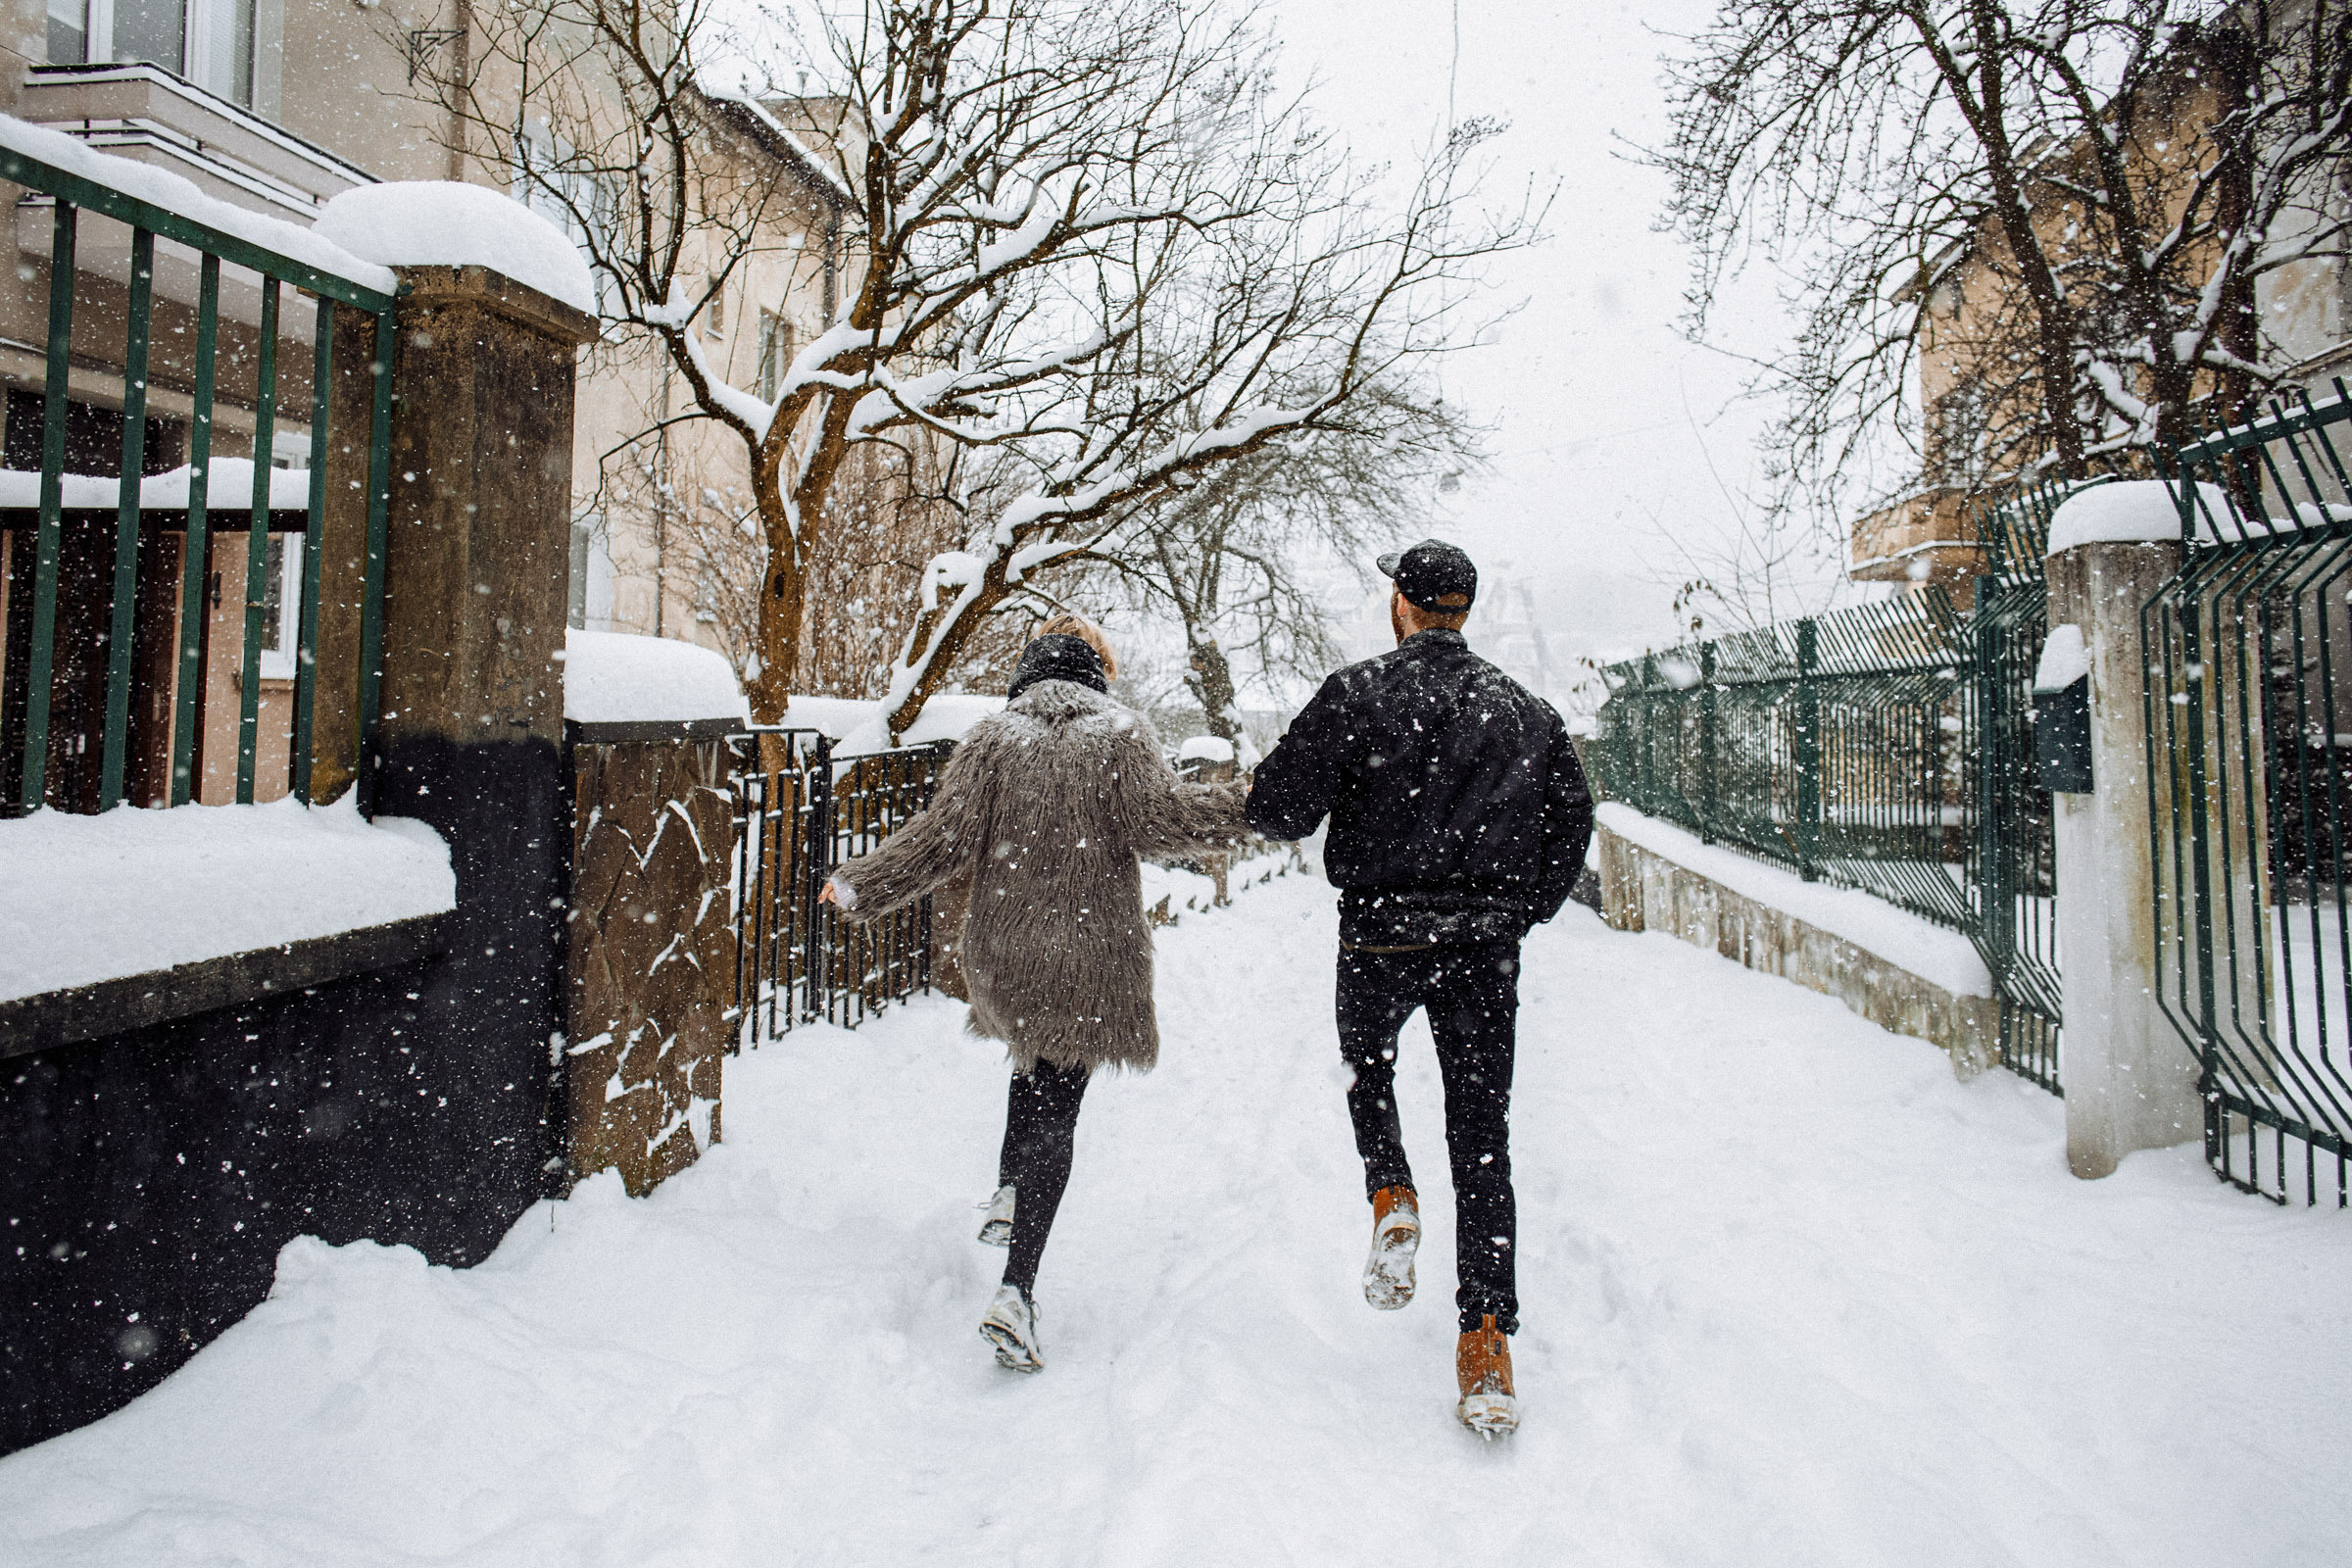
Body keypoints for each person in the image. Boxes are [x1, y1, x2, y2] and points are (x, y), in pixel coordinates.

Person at [820, 615, 1249, 1373]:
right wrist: (1254, 808)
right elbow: (1166, 823)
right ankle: (1017, 1290)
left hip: (1006, 953)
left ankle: (1008, 1190)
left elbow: (941, 840)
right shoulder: (1120, 735)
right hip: (1087, 956)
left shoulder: (993, 739)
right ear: (1097, 671)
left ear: (1029, 671)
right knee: (1059, 1101)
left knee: (1030, 1062)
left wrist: (862, 881)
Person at [1245, 539, 1592, 1438]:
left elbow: (1276, 809)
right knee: (1482, 1137)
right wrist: (1522, 909)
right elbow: (1572, 823)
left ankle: (1391, 1191)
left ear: (1401, 604)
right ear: (1463, 609)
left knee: (1368, 1068)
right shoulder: (1526, 712)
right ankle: (1486, 1345)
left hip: (1380, 932)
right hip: (1484, 947)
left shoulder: (1357, 694)